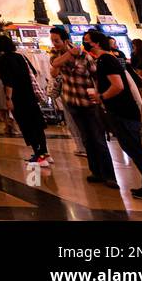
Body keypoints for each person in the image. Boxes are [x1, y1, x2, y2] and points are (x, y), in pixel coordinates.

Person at [85, 29, 142, 202]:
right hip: (122, 111)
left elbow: (118, 86)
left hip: (123, 111)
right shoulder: (108, 59)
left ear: (96, 43)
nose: (85, 44)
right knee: (133, 149)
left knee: (135, 150)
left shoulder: (106, 60)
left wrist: (101, 97)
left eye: (87, 40)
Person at [49, 26, 115, 188]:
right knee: (86, 139)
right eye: (52, 41)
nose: (54, 44)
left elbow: (96, 77)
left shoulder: (85, 56)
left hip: (89, 103)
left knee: (98, 139)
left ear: (66, 40)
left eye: (57, 41)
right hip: (72, 102)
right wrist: (69, 53)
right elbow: (54, 70)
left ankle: (109, 175)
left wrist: (100, 97)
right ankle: (96, 172)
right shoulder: (56, 55)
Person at [0, 34, 49, 166]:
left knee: (27, 125)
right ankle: (44, 152)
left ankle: (38, 155)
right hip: (29, 94)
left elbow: (8, 81)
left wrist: (8, 98)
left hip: (18, 97)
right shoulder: (19, 56)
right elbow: (33, 74)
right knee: (36, 124)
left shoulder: (3, 60)